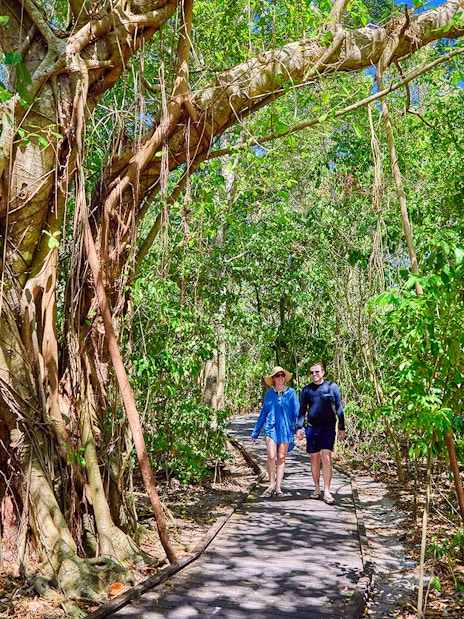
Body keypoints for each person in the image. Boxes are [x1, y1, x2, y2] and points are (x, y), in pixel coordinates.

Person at [296, 362, 346, 504]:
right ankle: (317, 488)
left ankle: (327, 491)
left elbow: (339, 408)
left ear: (323, 372)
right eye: (311, 373)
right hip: (312, 428)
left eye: (317, 372)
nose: (314, 375)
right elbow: (302, 410)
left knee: (327, 457)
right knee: (314, 458)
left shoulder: (332, 387)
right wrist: (299, 428)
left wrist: (342, 427)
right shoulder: (307, 390)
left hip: (328, 428)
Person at [250, 366, 299, 498]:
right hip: (271, 428)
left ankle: (278, 487)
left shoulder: (291, 393)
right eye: (277, 376)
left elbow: (296, 413)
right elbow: (263, 413)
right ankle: (271, 485)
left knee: (281, 457)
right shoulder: (269, 394)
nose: (280, 378)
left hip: (285, 429)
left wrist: (300, 428)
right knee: (272, 456)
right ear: (273, 378)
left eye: (282, 375)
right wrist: (255, 432)